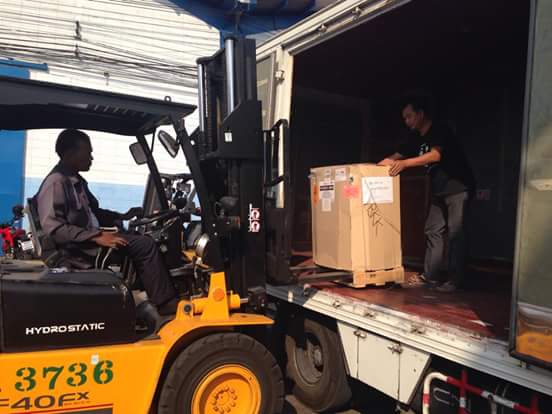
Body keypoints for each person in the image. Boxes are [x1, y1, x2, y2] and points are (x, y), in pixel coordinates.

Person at [36, 129, 179, 314]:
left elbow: (94, 213)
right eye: (88, 153)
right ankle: (166, 303)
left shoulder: (75, 180)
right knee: (146, 245)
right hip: (77, 250)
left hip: (87, 241)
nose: (92, 158)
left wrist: (122, 216)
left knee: (136, 237)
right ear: (71, 154)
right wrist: (97, 237)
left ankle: (144, 297)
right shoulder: (57, 183)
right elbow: (54, 228)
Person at [378, 95, 475, 293]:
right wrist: (368, 170)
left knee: (456, 233)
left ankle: (454, 280)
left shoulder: (440, 129)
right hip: (439, 189)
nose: (407, 121)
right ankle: (430, 277)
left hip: (457, 187)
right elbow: (395, 157)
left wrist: (404, 164)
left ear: (420, 114)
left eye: (409, 116)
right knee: (432, 229)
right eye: (404, 118)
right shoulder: (415, 137)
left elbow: (435, 155)